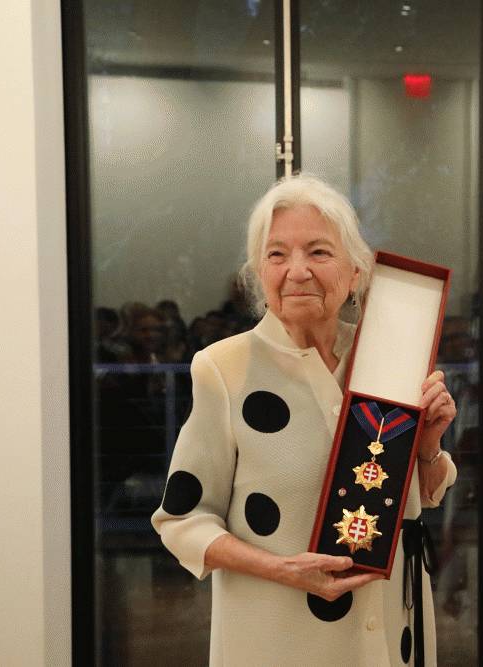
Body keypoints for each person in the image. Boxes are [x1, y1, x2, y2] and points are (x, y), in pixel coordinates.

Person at [151, 175, 457, 665]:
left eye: (318, 252)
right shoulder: (223, 369)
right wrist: (283, 569)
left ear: (356, 271)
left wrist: (428, 446)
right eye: (277, 255)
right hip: (279, 637)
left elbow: (424, 496)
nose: (297, 271)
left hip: (388, 634)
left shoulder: (391, 356)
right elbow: (182, 520)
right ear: (258, 274)